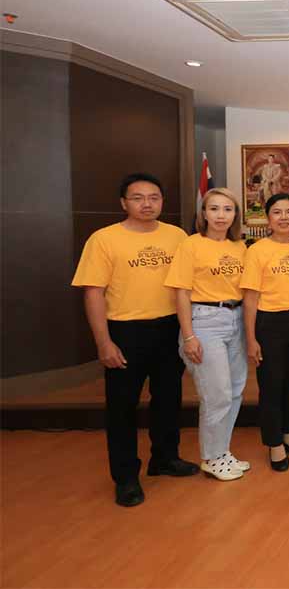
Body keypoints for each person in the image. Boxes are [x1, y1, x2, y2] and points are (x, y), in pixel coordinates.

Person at [72, 172, 197, 507]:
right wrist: (104, 342)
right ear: (123, 203)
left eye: (154, 198)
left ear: (162, 201)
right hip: (125, 330)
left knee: (168, 398)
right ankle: (126, 477)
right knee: (122, 407)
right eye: (138, 198)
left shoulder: (177, 236)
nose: (147, 204)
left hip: (169, 327)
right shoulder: (104, 239)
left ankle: (165, 458)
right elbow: (93, 293)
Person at [165, 187, 250, 482]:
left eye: (227, 209)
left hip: (236, 318)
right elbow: (181, 292)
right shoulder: (191, 245)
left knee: (235, 390)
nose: (221, 215)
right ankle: (212, 457)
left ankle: (222, 451)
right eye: (214, 209)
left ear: (235, 214)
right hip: (204, 321)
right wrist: (188, 336)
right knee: (217, 394)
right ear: (203, 213)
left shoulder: (240, 247)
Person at [240, 193, 289, 472]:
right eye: (277, 212)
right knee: (271, 384)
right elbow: (250, 298)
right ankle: (274, 442)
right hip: (269, 323)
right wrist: (251, 338)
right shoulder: (257, 250)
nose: (284, 217)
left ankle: (288, 432)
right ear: (268, 218)